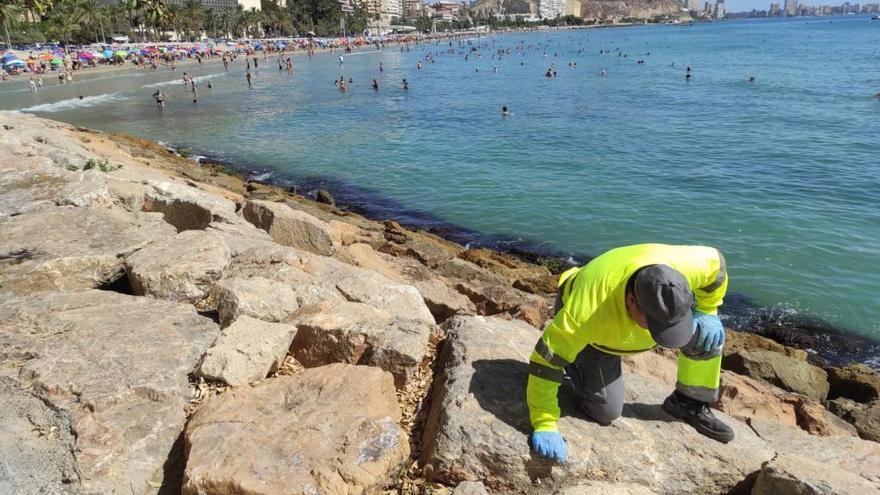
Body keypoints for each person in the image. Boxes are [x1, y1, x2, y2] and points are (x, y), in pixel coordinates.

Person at [528, 244, 732, 464]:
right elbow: (546, 362)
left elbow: (717, 268)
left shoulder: (691, 266)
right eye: (653, 324)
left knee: (709, 336)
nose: (660, 336)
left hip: (630, 316)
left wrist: (708, 310)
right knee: (606, 410)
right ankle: (577, 363)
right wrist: (544, 422)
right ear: (631, 300)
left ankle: (688, 403)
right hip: (596, 340)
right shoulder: (585, 314)